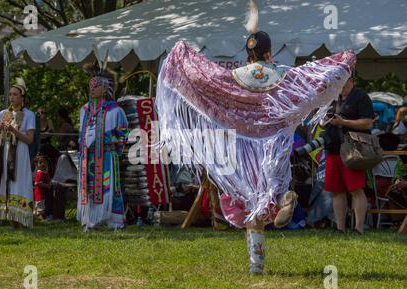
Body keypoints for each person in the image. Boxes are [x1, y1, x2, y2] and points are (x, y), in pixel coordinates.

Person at [156, 0, 355, 274]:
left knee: (250, 203)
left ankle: (256, 265)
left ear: (248, 52)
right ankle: (285, 197)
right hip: (274, 144)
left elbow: (206, 81)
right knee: (270, 192)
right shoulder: (283, 75)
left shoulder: (234, 77)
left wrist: (181, 56)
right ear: (269, 52)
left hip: (244, 150)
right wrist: (342, 61)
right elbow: (313, 80)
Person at [77, 63, 129, 231]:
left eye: (96, 86)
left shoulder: (115, 110)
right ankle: (91, 221)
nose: (92, 89)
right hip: (88, 157)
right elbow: (81, 135)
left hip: (106, 155)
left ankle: (114, 222)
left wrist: (110, 142)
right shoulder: (84, 110)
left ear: (105, 89)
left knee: (110, 187)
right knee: (89, 188)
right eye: (90, 86)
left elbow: (123, 134)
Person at [323, 75, 375, 235]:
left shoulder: (361, 97)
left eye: (341, 83)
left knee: (356, 190)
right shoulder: (333, 97)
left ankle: (358, 228)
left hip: (353, 150)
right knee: (337, 190)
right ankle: (340, 228)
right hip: (333, 149)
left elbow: (368, 122)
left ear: (350, 80)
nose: (339, 86)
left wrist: (343, 122)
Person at [0, 77, 35, 228]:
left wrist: (14, 130)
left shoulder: (29, 114)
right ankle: (0, 215)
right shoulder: (3, 113)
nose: (12, 97)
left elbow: (29, 140)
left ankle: (18, 219)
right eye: (10, 94)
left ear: (22, 98)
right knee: (1, 181)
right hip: (3, 151)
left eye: (15, 94)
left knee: (17, 182)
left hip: (19, 152)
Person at [33, 154, 51, 220]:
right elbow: (36, 183)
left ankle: (41, 216)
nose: (43, 164)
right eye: (40, 163)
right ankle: (41, 218)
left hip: (43, 194)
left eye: (44, 162)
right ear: (37, 165)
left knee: (43, 207)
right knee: (40, 208)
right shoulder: (39, 173)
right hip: (39, 194)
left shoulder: (45, 172)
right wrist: (46, 185)